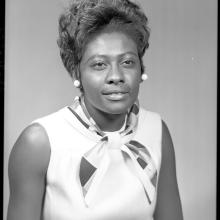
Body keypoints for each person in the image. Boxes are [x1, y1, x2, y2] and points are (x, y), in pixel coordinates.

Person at [7, 0, 184, 219]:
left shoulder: (157, 131)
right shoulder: (39, 142)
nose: (116, 76)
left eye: (128, 62)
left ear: (141, 68)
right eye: (100, 64)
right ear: (76, 73)